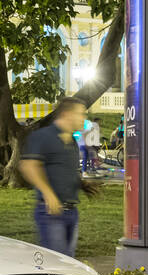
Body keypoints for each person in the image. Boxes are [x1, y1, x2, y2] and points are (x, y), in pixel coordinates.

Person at [20, 97, 97, 258]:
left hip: (71, 211)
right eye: (81, 114)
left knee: (69, 263)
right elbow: (28, 166)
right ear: (67, 114)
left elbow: (62, 170)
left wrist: (83, 185)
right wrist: (48, 194)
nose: (84, 118)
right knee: (58, 264)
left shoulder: (72, 142)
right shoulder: (44, 136)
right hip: (51, 213)